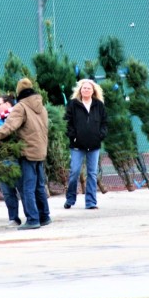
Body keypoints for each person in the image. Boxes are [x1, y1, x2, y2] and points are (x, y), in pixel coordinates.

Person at [0, 78, 51, 230]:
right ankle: (44, 216)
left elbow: (9, 127)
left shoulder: (21, 107)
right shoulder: (42, 107)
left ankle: (33, 219)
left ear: (19, 92)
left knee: (28, 187)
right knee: (39, 186)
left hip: (27, 151)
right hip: (40, 150)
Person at [63, 79, 107, 210]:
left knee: (92, 174)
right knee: (74, 172)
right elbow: (67, 122)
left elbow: (104, 122)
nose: (86, 90)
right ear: (80, 90)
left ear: (93, 91)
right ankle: (70, 199)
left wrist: (101, 135)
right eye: (84, 88)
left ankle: (91, 202)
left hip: (94, 145)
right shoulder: (73, 104)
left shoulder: (99, 105)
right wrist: (73, 137)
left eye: (89, 88)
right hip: (77, 145)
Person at [0, 94, 23, 227]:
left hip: (16, 160)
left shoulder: (16, 117)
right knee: (8, 192)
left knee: (23, 190)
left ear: (8, 104)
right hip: (1, 162)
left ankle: (32, 216)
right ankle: (13, 218)